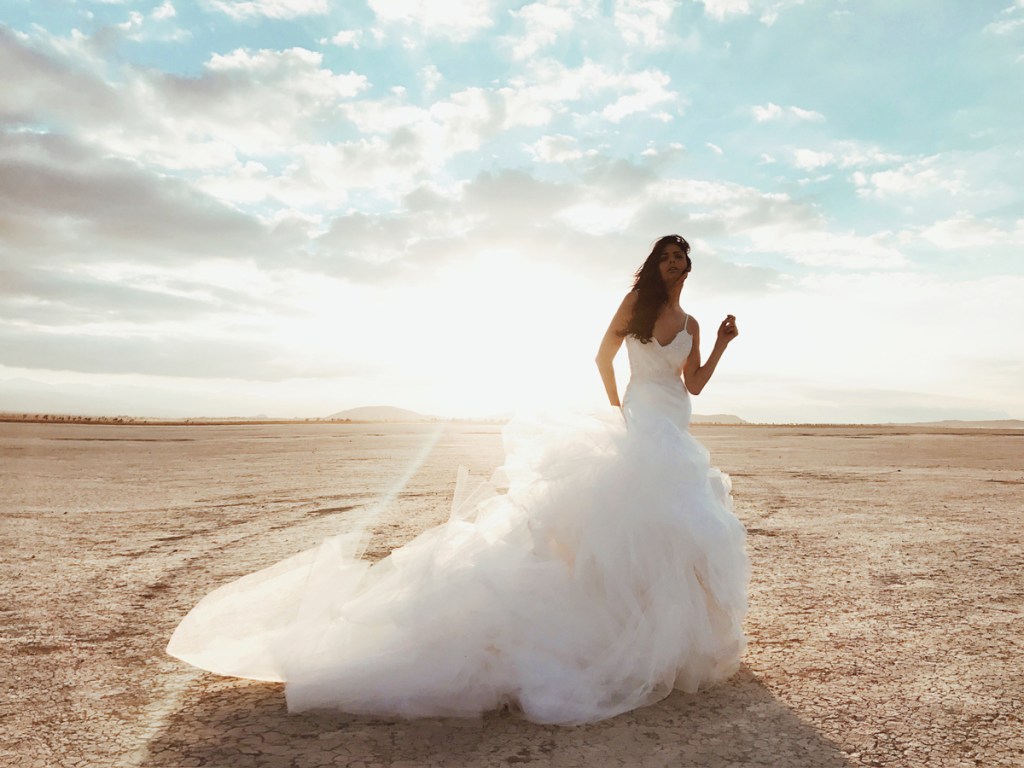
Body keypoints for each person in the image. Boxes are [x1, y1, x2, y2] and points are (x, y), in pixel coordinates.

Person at [167, 234, 749, 725]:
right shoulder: (634, 307)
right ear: (655, 265)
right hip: (641, 420)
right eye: (667, 256)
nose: (674, 263)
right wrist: (616, 409)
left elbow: (693, 383)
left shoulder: (692, 322)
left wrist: (720, 344)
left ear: (688, 268)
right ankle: (626, 639)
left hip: (676, 424)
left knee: (677, 529)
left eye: (681, 257)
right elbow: (602, 359)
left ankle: (666, 647)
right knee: (629, 523)